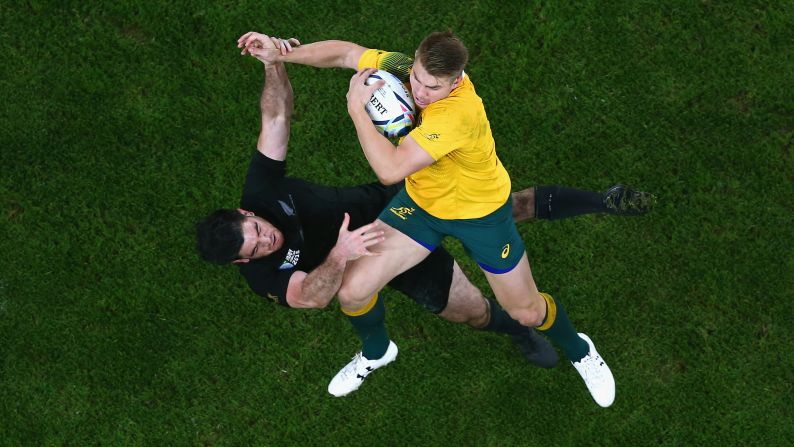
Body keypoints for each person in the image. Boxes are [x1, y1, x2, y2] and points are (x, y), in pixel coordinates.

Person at [235, 32, 654, 406]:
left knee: (526, 311)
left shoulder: (456, 113)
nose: (418, 90)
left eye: (431, 86)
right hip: (420, 207)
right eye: (415, 77)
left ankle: (580, 350)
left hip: (480, 216)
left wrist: (358, 110)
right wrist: (281, 54)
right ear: (414, 61)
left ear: (456, 81)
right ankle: (378, 351)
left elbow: (389, 170)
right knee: (353, 290)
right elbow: (347, 54)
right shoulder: (408, 69)